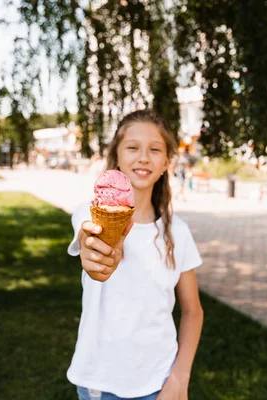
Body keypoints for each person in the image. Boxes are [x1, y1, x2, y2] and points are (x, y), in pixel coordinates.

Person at [67, 110, 204, 400]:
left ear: (167, 162)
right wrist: (97, 257)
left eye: (155, 149)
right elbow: (89, 242)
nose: (143, 157)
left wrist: (179, 378)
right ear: (116, 156)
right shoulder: (89, 215)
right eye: (132, 147)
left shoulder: (178, 233)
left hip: (160, 382)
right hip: (99, 383)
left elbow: (192, 311)